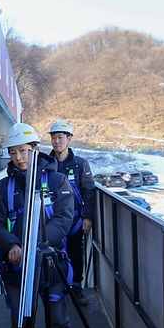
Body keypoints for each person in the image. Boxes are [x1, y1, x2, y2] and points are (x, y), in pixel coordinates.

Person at [0, 122, 74, 328]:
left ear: (35, 149)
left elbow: (64, 219)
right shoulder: (3, 188)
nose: (18, 158)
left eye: (23, 151)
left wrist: (32, 245)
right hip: (18, 269)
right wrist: (11, 244)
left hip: (51, 264)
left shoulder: (57, 181)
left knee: (58, 318)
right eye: (13, 153)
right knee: (21, 321)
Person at [48, 120, 96, 306]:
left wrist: (88, 217)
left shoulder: (80, 165)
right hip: (52, 220)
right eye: (53, 138)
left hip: (75, 220)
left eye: (60, 137)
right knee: (53, 255)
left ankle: (76, 288)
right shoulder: (46, 164)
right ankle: (56, 288)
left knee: (76, 254)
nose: (56, 141)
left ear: (69, 139)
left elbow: (89, 191)